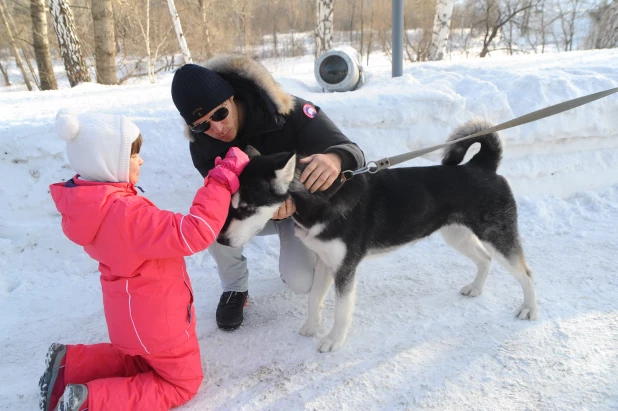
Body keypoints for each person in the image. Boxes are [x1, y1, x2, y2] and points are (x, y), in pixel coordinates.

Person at [40, 109, 249, 411]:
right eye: (132, 155)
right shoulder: (128, 214)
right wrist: (220, 181)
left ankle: (69, 365)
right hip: (160, 323)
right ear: (107, 162)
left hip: (128, 319)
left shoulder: (89, 207)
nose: (141, 161)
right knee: (181, 383)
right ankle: (89, 402)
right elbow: (194, 232)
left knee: (137, 360)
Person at [171, 55, 365, 331]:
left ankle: (311, 258)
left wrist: (335, 159)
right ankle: (235, 289)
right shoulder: (203, 145)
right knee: (209, 220)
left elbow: (351, 150)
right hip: (255, 211)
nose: (215, 128)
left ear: (232, 97)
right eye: (201, 125)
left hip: (301, 211)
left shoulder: (286, 110)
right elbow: (222, 196)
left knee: (302, 282)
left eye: (219, 114)